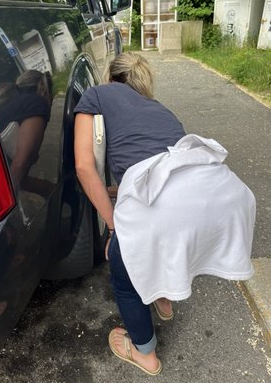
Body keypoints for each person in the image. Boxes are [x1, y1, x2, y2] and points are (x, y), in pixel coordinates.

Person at [73, 52, 255, 375]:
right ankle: (164, 300)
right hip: (213, 189)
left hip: (165, 210)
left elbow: (85, 167)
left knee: (122, 268)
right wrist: (118, 194)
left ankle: (145, 353)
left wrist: (114, 227)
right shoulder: (159, 108)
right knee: (166, 236)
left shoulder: (96, 94)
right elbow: (161, 170)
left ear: (112, 78)